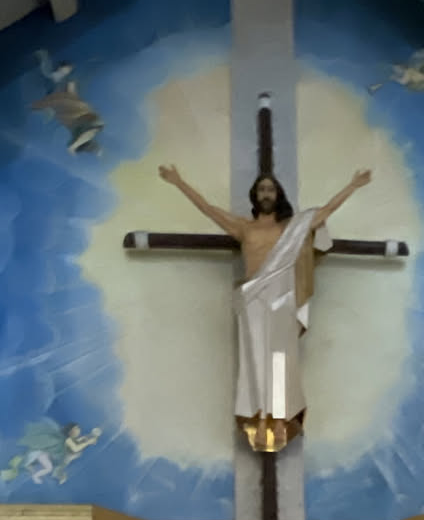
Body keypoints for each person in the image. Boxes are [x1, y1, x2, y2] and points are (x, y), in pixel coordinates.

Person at [157, 164, 372, 450]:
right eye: (262, 189)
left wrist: (353, 185)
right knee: (255, 360)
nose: (266, 193)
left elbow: (326, 211)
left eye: (270, 189)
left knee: (279, 360)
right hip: (253, 300)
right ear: (255, 196)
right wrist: (179, 182)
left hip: (282, 298)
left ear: (278, 194)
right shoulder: (243, 228)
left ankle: (280, 420)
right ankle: (259, 420)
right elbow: (207, 209)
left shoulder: (291, 228)